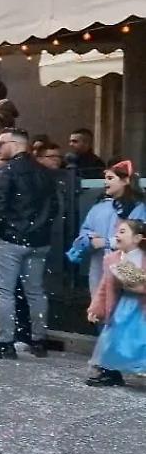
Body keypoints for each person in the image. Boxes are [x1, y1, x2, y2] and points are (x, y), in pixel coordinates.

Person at [0, 128, 60, 360]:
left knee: (4, 292)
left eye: (0, 143)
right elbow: (54, 208)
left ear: (14, 144)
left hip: (10, 240)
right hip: (39, 241)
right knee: (35, 291)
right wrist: (39, 229)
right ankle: (38, 340)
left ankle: (6, 342)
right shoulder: (45, 173)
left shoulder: (6, 171)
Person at [69, 160, 146, 293]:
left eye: (110, 178)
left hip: (128, 269)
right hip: (99, 270)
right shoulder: (99, 207)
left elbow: (138, 239)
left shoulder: (139, 209)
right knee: (98, 308)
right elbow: (84, 233)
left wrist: (105, 242)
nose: (105, 183)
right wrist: (88, 239)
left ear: (126, 180)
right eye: (105, 178)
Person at [86, 219, 146, 386]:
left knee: (140, 339)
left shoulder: (143, 258)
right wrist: (96, 309)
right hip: (122, 305)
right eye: (117, 231)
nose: (117, 235)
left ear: (137, 238)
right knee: (114, 338)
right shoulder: (112, 258)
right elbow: (104, 286)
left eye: (123, 232)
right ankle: (110, 371)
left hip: (141, 306)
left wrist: (139, 284)